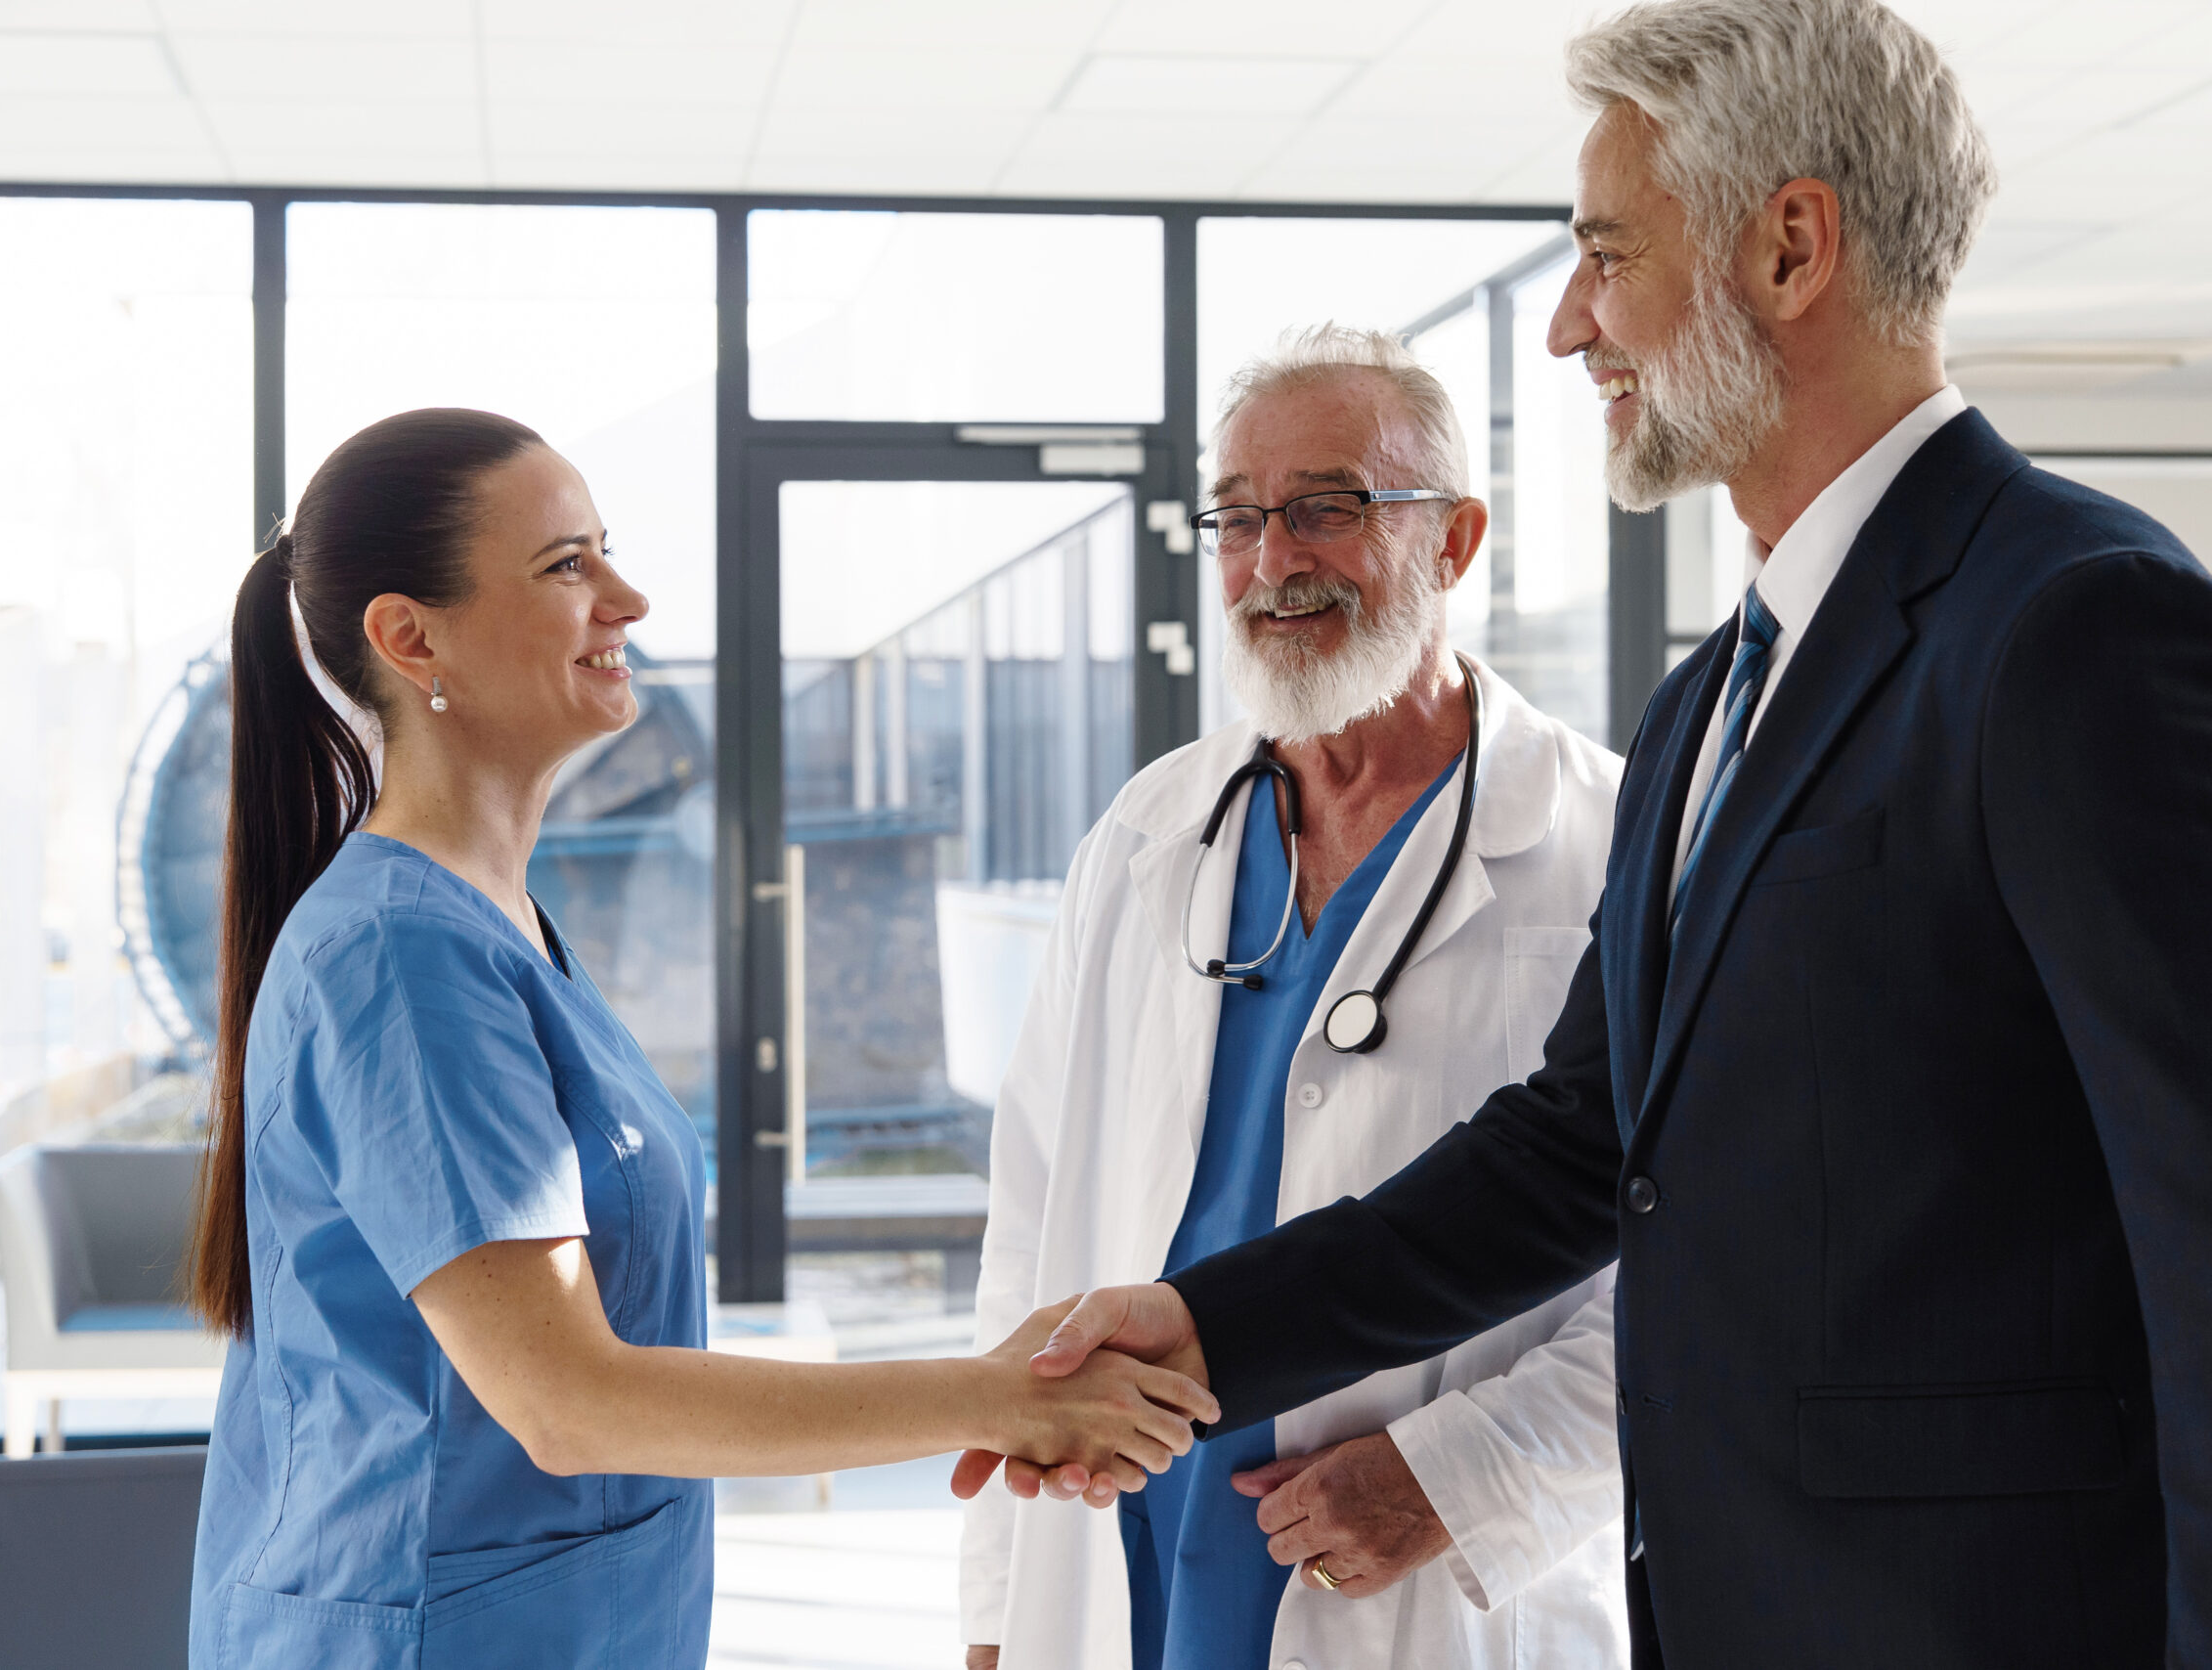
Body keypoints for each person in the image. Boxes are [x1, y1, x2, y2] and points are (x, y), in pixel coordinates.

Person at [1009, 2, 2212, 1666]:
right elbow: (1576, 1152)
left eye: (1606, 255)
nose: (1575, 325)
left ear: (1791, 247)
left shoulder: (2074, 627)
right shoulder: (1710, 700)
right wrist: (1204, 1327)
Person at [184, 409, 1216, 1670]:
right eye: (567, 566)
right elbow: (567, 1400)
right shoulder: (400, 956)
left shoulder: (495, 924)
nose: (626, 596)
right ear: (412, 637)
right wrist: (995, 1394)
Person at [953, 328, 1627, 1670]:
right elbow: (1034, 1209)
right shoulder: (1149, 833)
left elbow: (1704, 1258)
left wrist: (1468, 1475)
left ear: (1456, 539)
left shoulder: (1602, 838)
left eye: (1326, 508)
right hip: (1132, 1545)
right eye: (1241, 518)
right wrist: (994, 1613)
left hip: (1428, 1579)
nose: (1274, 563)